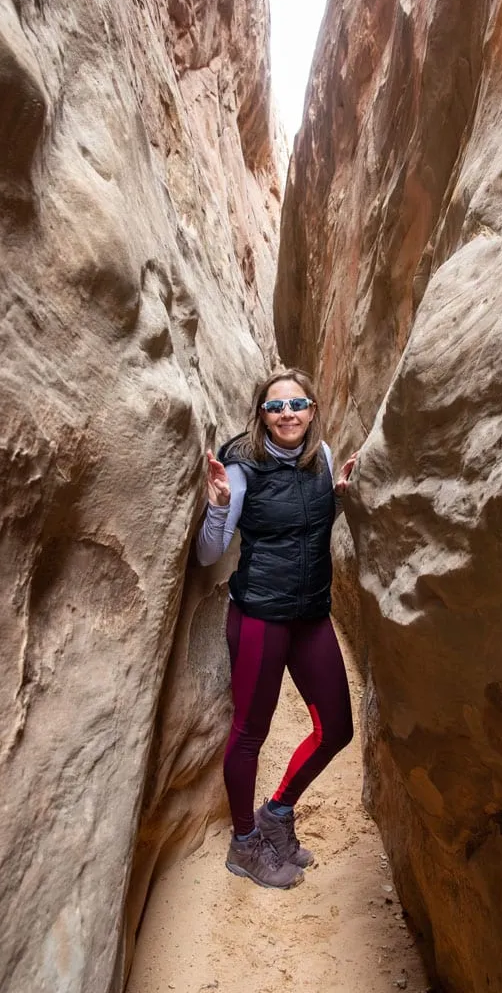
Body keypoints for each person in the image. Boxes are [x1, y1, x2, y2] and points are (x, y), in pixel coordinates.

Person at [196, 367, 358, 889]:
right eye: (275, 407)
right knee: (249, 735)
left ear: (311, 411)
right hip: (261, 617)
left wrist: (337, 495)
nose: (286, 415)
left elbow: (310, 522)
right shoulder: (242, 464)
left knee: (336, 729)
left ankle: (278, 812)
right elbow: (208, 553)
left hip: (310, 615)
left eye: (296, 405)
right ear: (261, 414)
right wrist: (219, 507)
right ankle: (244, 843)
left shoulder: (323, 458)